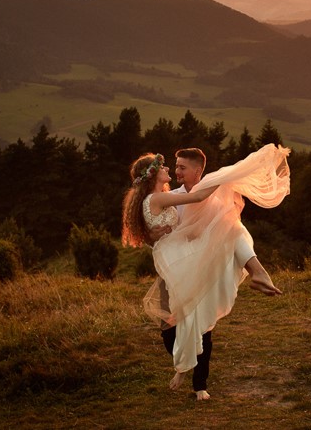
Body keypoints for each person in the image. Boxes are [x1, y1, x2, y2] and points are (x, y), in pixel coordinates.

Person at [122, 144, 290, 400]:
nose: (175, 171)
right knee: (169, 325)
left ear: (197, 170)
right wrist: (227, 176)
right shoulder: (169, 196)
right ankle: (182, 362)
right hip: (176, 264)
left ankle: (200, 383)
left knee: (232, 227)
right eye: (172, 167)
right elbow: (156, 229)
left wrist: (224, 183)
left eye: (181, 167)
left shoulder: (204, 195)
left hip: (195, 259)